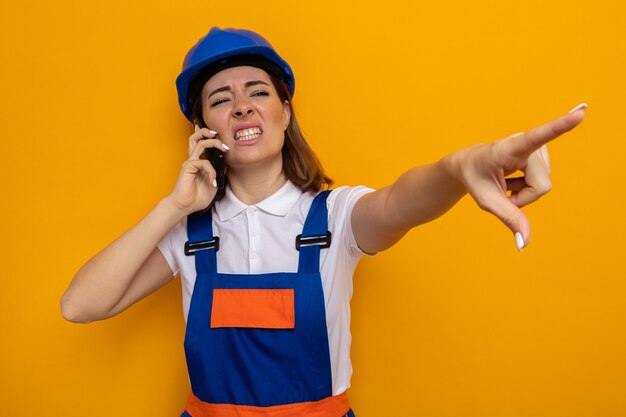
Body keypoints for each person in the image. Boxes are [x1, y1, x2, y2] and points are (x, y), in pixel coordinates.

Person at [61, 27, 586, 417]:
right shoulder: (190, 234)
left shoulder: (334, 215)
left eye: (258, 92)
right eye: (221, 101)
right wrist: (175, 207)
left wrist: (459, 167)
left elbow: (403, 199)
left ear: (285, 113)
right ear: (204, 130)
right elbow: (81, 305)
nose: (242, 107)